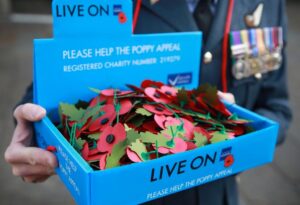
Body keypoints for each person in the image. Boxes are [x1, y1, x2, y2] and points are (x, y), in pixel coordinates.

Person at [4, 0, 292, 204]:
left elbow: (278, 108)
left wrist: (243, 131)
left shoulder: (267, 3)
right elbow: (62, 80)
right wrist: (36, 137)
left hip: (222, 194)